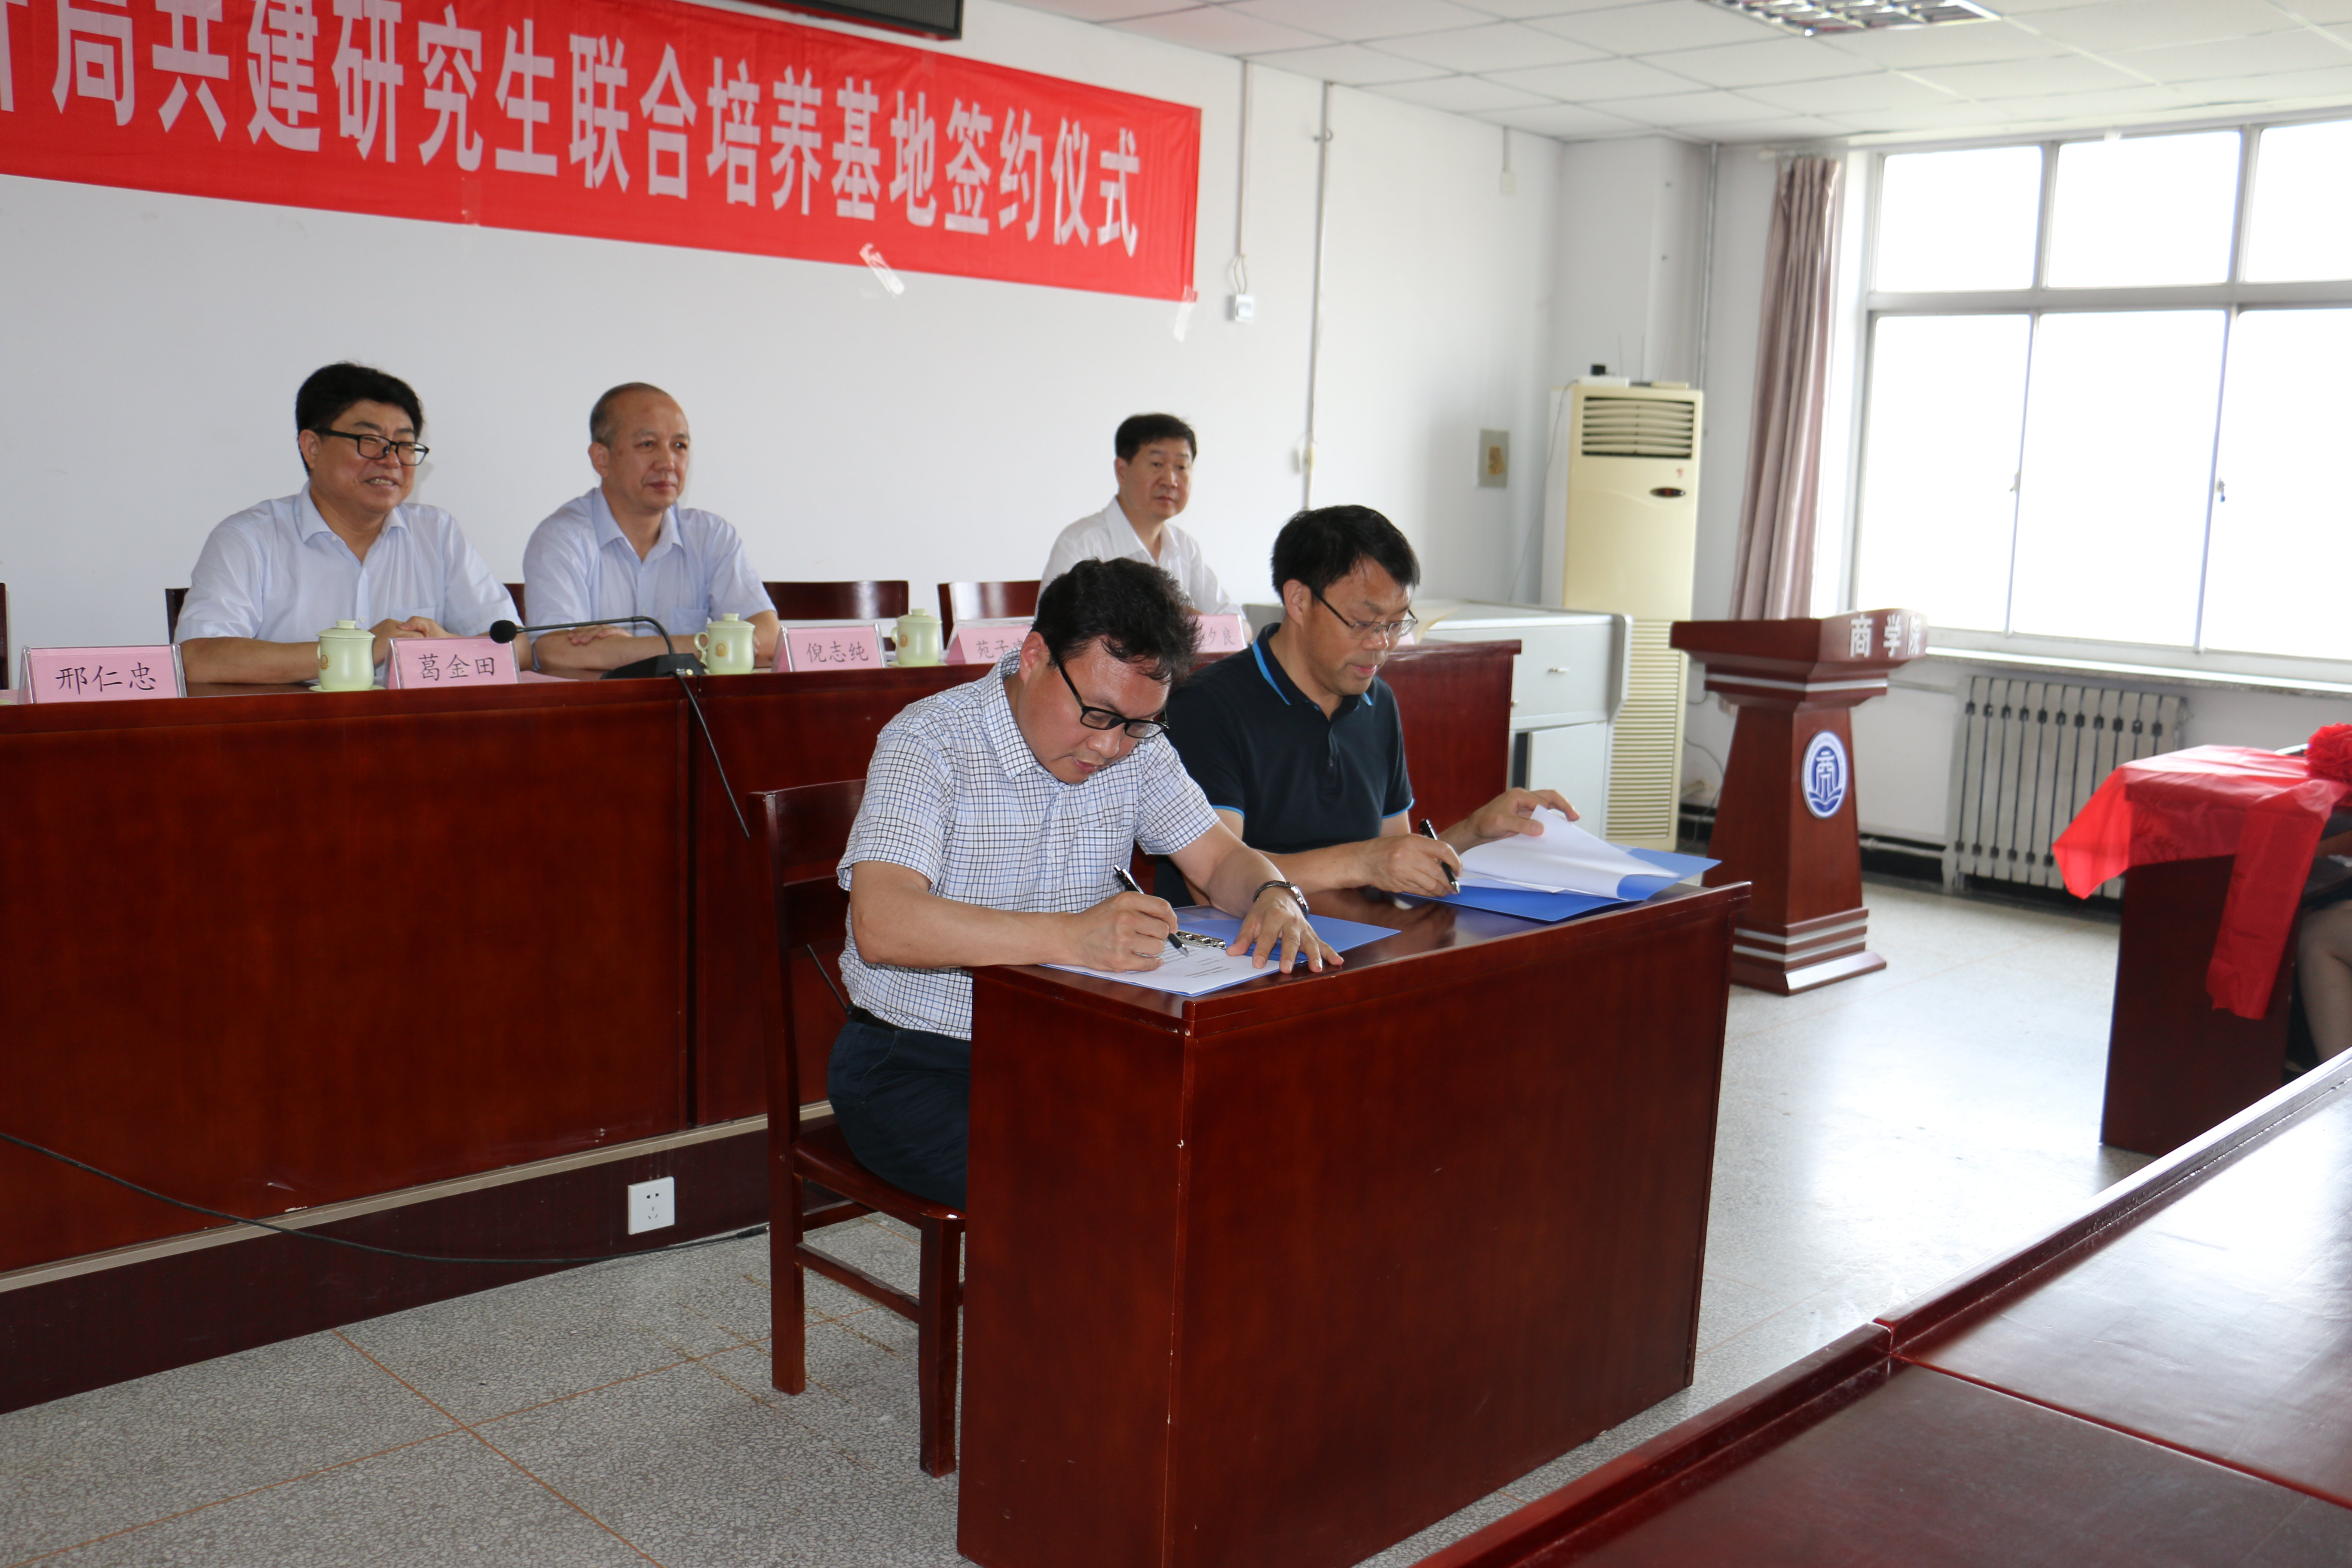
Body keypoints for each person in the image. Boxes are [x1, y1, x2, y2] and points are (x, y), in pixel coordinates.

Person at [830, 557, 1336, 1210]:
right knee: (1092, 1191)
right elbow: (883, 924)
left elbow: (1218, 861)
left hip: (1077, 1048)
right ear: (1035, 657)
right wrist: (1074, 938)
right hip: (920, 1062)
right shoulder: (930, 741)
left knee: (1234, 1140)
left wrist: (1273, 895)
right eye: (1097, 715)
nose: (1110, 748)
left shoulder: (1137, 748)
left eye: (1138, 725)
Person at [1162, 505, 1575, 902]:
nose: (1382, 644)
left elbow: (1392, 861)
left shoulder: (1377, 700)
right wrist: (1363, 862)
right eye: (1363, 623)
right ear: (1299, 601)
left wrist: (1474, 831)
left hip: (1353, 936)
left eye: (1395, 625)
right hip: (1242, 942)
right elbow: (1213, 879)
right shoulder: (1206, 706)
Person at [176, 363, 517, 684]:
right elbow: (200, 658)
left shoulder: (437, 533)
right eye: (370, 441)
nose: (392, 461)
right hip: (294, 724)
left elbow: (518, 647)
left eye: (404, 445)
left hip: (411, 724)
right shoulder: (249, 539)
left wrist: (446, 645)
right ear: (312, 448)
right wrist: (357, 652)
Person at [522, 382, 778, 673]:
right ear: (602, 459)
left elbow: (769, 640)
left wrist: (624, 649)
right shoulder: (562, 538)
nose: (668, 463)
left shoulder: (711, 536)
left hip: (691, 703)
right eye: (647, 444)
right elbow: (555, 652)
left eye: (679, 446)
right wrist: (711, 646)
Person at [1040, 413, 1240, 616]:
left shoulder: (1185, 548)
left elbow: (1237, 623)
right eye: (1157, 464)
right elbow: (1055, 629)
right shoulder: (1081, 544)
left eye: (1181, 467)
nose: (1170, 480)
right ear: (1122, 471)